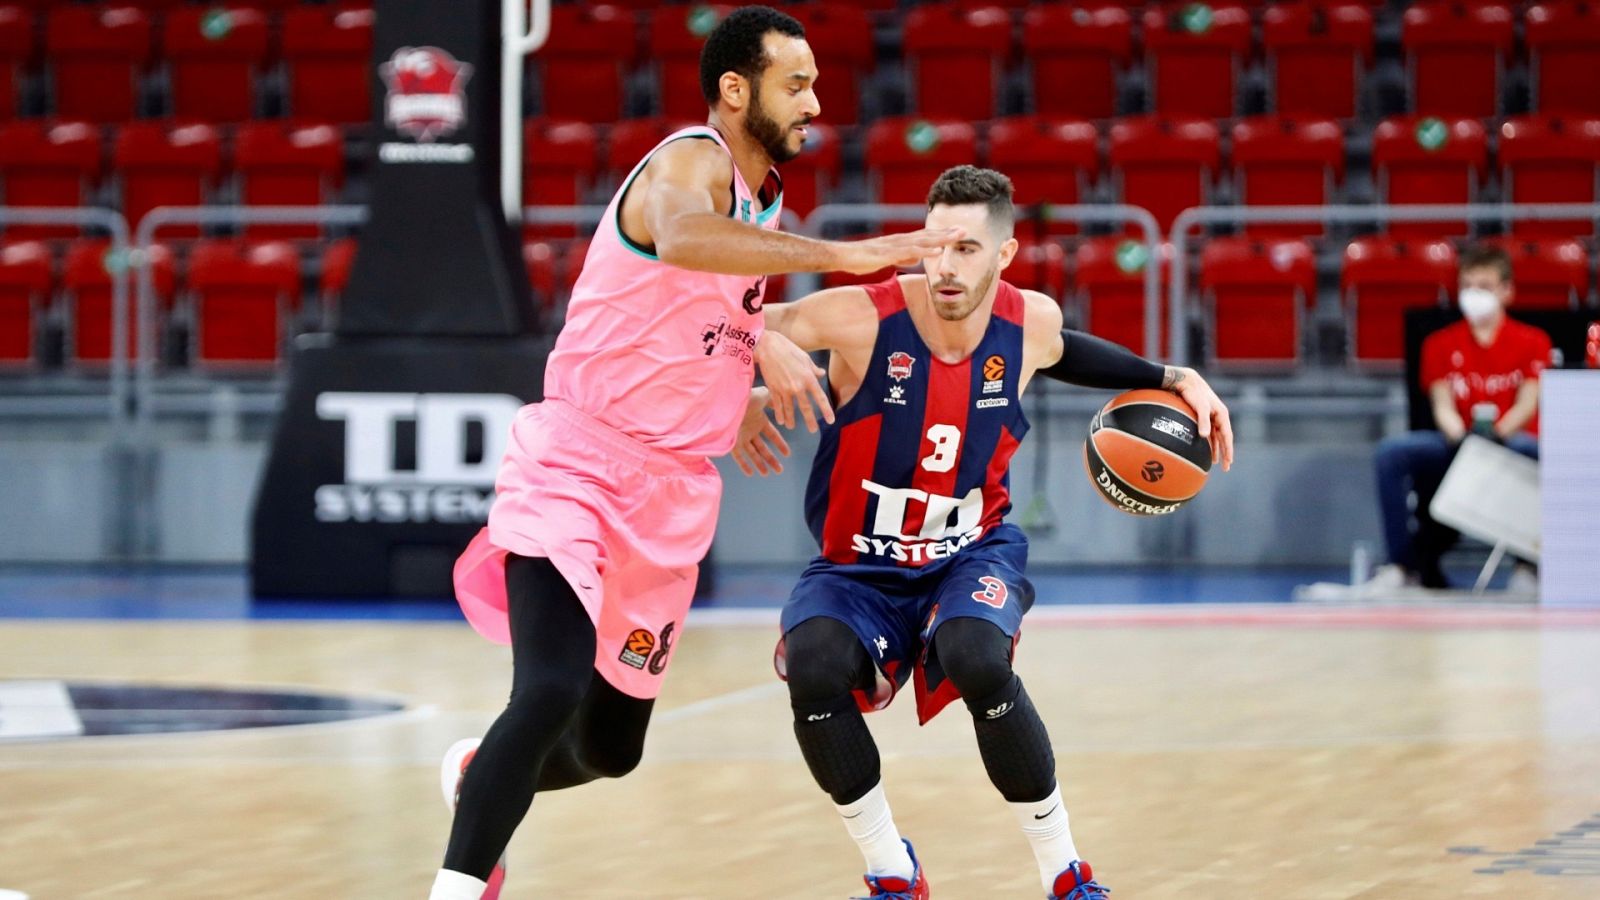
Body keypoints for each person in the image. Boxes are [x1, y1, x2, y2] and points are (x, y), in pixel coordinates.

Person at [427, 8, 966, 899]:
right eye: (796, 84)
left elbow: (697, 313)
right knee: (551, 686)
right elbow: (678, 239)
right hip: (579, 466)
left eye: (816, 84)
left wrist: (741, 379)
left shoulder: (763, 200)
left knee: (611, 748)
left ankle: (479, 773)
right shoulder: (690, 160)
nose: (815, 102)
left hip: (672, 492)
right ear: (734, 89)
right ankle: (458, 882)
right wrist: (843, 254)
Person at [731, 166, 1234, 899]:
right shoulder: (860, 317)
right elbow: (715, 323)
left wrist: (1171, 374)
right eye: (934, 245)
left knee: (974, 652)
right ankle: (891, 871)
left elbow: (1073, 350)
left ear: (1005, 254)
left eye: (966, 248)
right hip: (858, 567)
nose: (945, 265)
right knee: (809, 663)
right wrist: (746, 368)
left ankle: (1064, 870)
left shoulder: (1027, 323)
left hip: (971, 552)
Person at [1362, 243, 1549, 591]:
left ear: (1506, 291)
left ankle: (1529, 564)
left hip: (1510, 443)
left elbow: (1528, 402)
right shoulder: (1439, 343)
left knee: (1540, 452)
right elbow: (1442, 402)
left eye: (1485, 287)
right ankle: (1403, 566)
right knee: (1391, 454)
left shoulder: (1533, 340)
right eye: (1467, 286)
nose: (1474, 295)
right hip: (1456, 442)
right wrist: (1461, 436)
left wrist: (1496, 434)